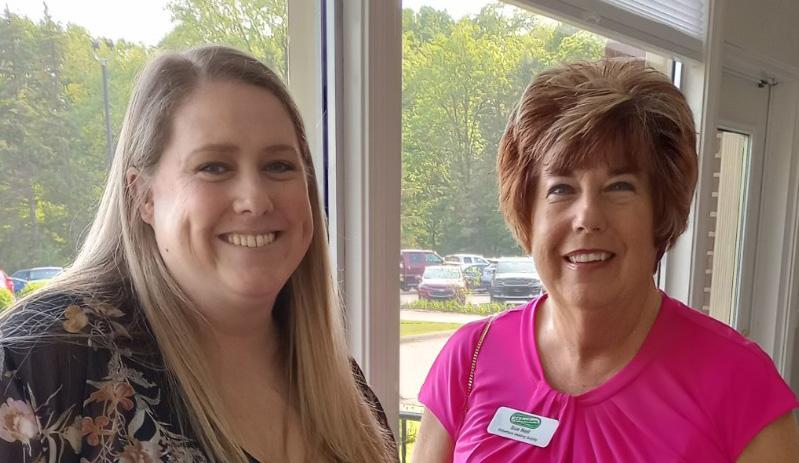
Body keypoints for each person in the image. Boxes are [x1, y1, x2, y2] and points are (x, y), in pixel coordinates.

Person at [0, 46, 397, 463]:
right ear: (143, 196)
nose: (255, 200)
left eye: (279, 166)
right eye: (214, 167)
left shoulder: (344, 391)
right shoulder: (41, 365)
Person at [412, 59, 799, 462]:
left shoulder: (742, 385)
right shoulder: (469, 358)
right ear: (528, 214)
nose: (588, 217)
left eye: (619, 186)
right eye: (561, 188)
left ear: (660, 211)